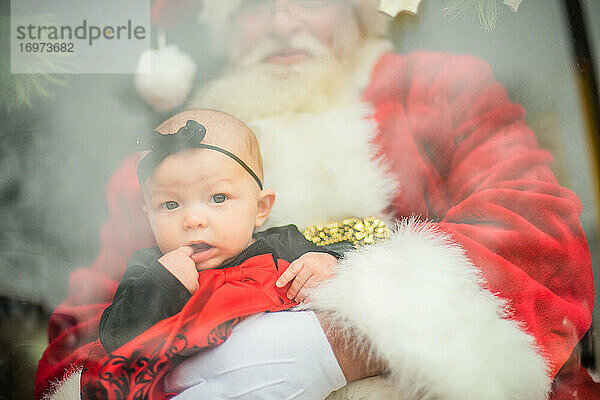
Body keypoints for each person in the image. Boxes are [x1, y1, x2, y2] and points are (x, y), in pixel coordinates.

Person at [35, 0, 596, 399]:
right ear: (224, 27)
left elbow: (538, 235)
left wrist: (332, 341)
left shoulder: (438, 91)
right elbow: (77, 340)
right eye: (253, 6)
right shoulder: (169, 167)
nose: (282, 21)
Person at [83, 109, 345, 399]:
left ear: (260, 208)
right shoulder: (150, 267)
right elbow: (115, 336)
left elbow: (356, 278)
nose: (194, 219)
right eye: (170, 205)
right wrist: (163, 284)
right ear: (149, 218)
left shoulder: (285, 244)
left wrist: (328, 262)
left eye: (218, 198)